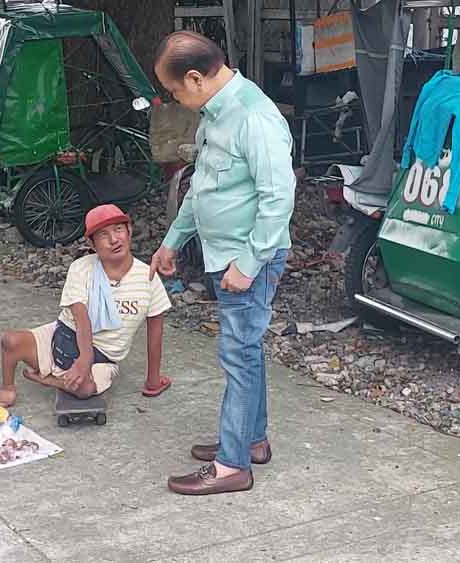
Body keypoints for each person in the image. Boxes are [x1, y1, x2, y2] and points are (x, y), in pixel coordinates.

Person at [150, 31, 295, 495]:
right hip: (226, 257)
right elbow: (202, 188)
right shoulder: (215, 115)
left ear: (195, 78)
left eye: (175, 90)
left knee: (238, 354)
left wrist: (249, 264)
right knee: (244, 352)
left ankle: (232, 465)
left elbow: (278, 200)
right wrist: (172, 242)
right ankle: (250, 441)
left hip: (247, 258)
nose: (176, 99)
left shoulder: (255, 117)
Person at [0, 204, 173, 407]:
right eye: (103, 235)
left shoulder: (148, 277)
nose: (114, 239)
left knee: (86, 389)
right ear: (92, 243)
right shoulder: (81, 268)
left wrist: (153, 381)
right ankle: (8, 390)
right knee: (10, 341)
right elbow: (81, 318)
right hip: (62, 339)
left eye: (118, 229)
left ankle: (50, 379)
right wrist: (83, 359)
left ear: (129, 231)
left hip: (102, 357)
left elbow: (155, 331)